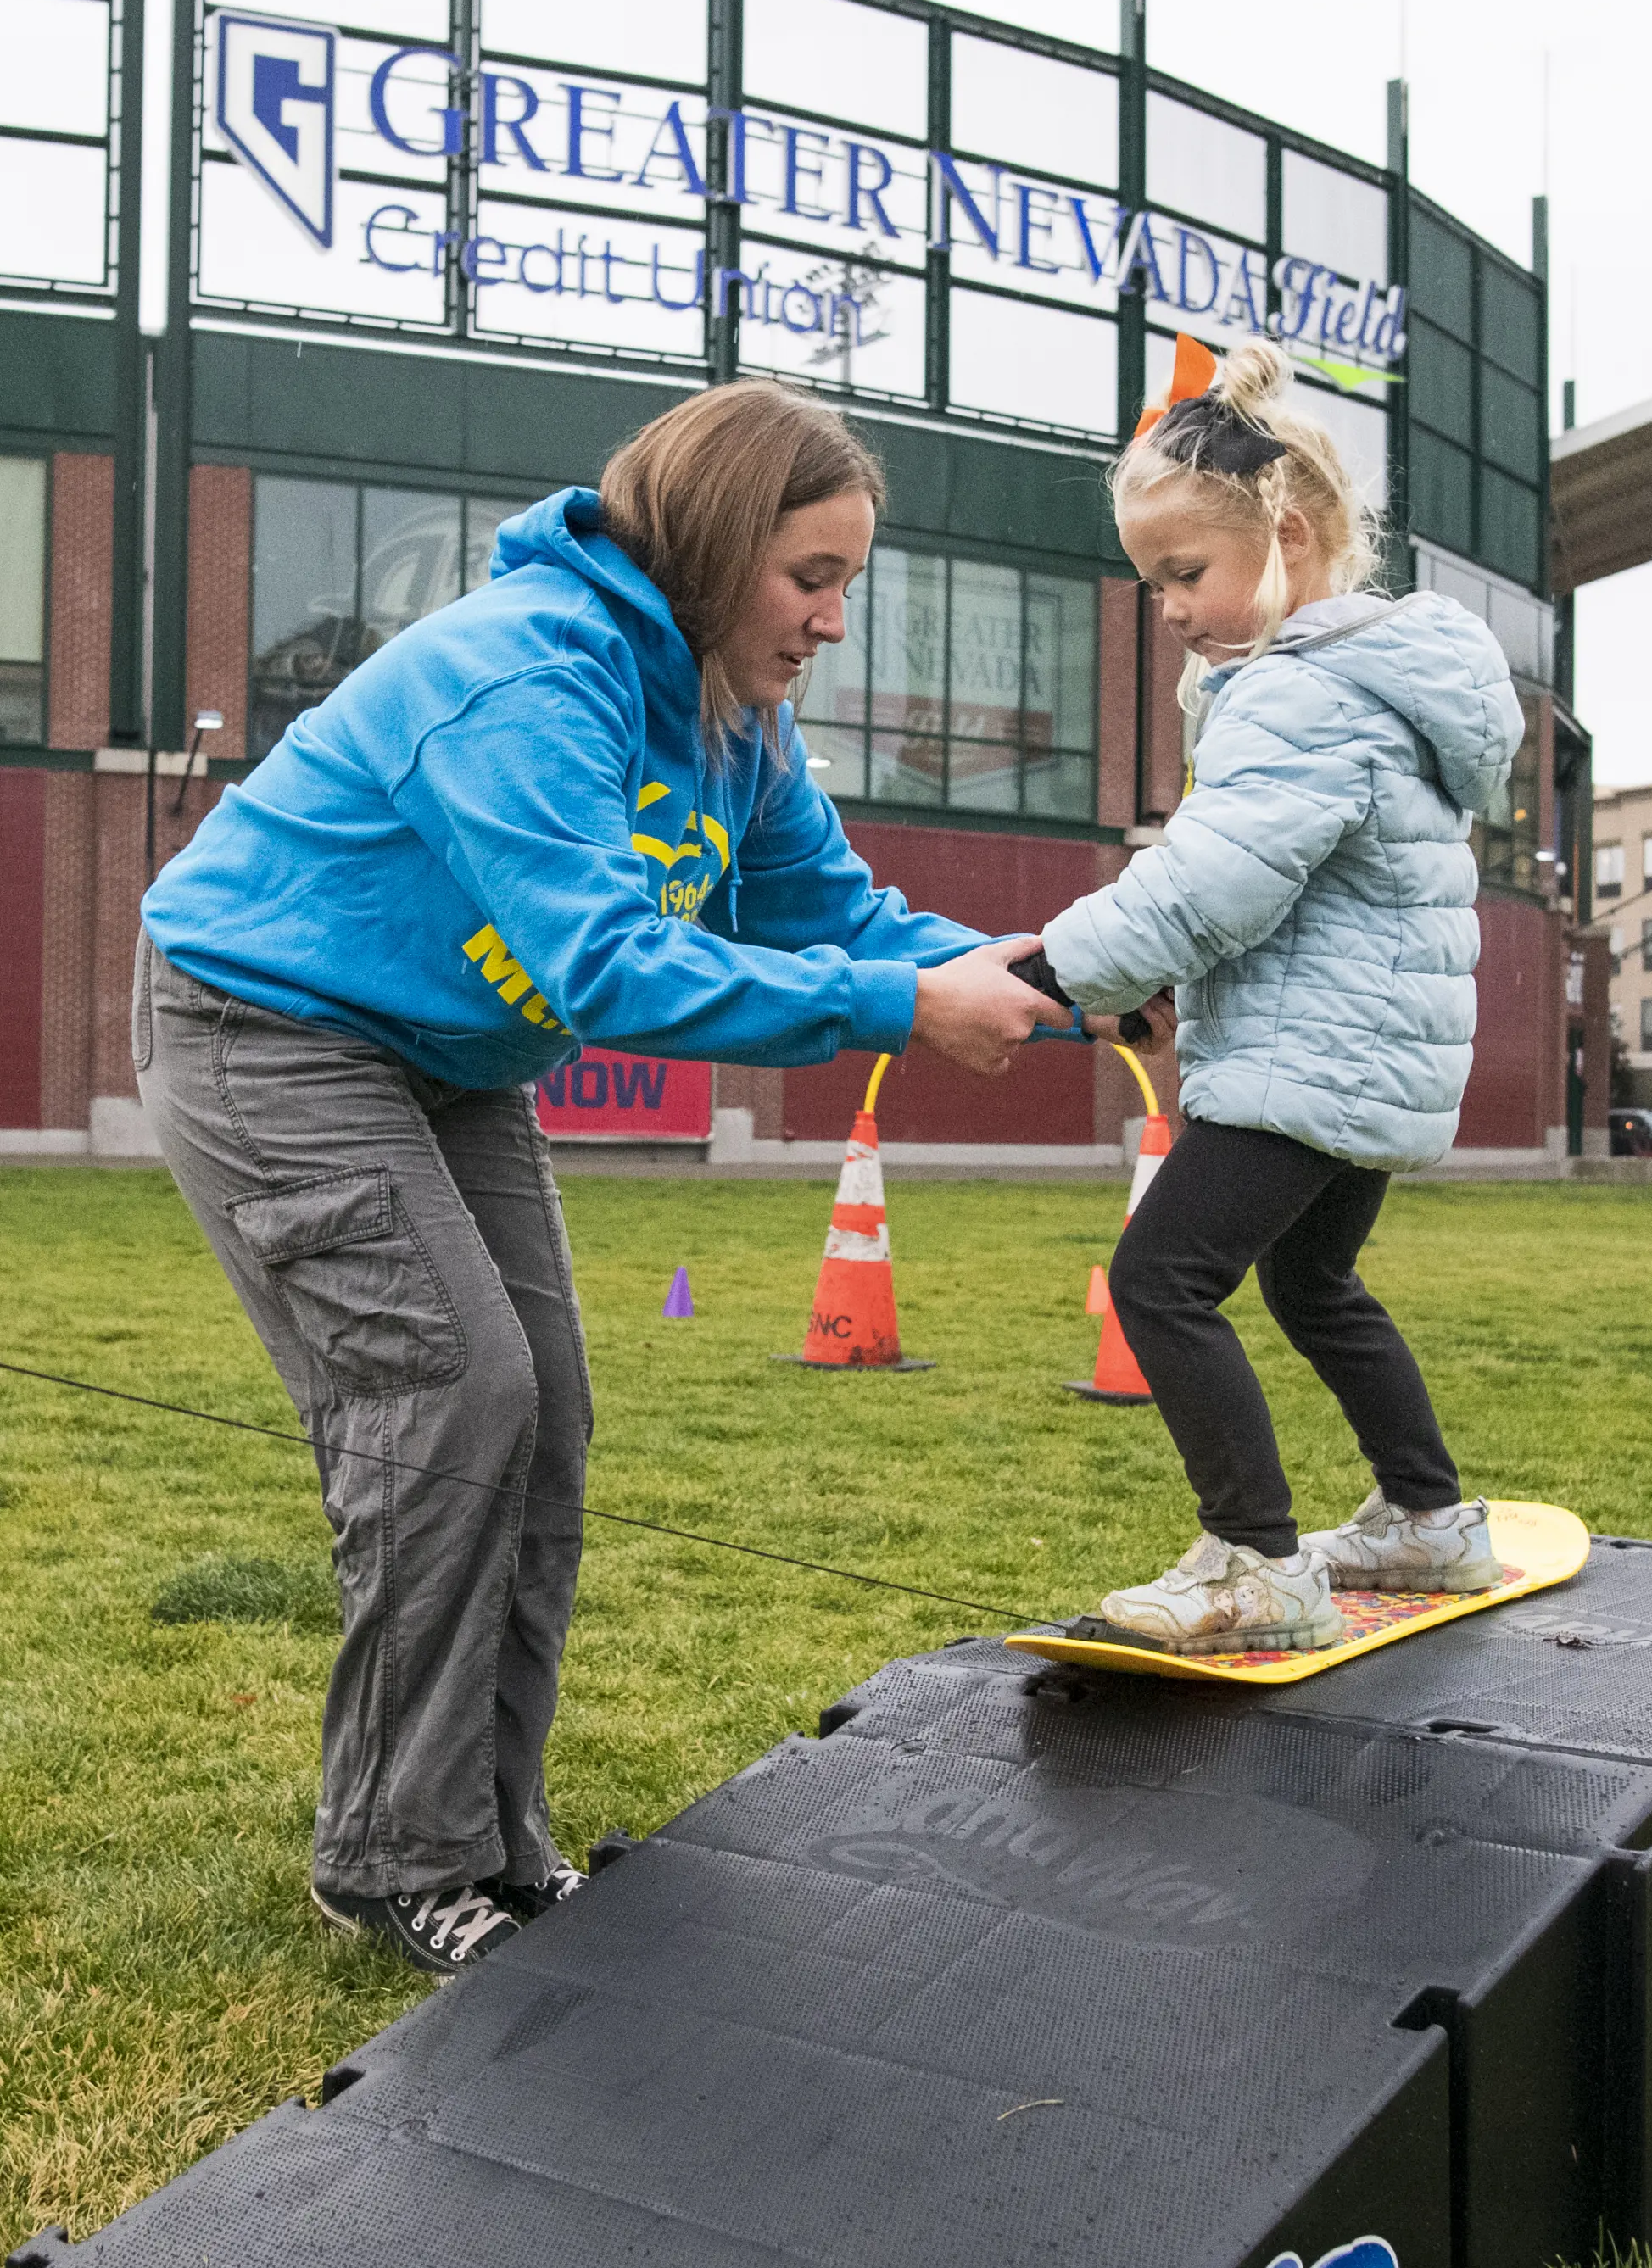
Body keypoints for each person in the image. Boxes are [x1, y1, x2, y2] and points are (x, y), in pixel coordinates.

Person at [137, 382, 1061, 1973]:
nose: (834, 620)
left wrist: (1075, 965)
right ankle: (393, 1858)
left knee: (544, 1406)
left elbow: (826, 912)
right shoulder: (519, 674)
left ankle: (494, 1842)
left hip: (451, 1058)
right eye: (810, 578)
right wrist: (905, 1006)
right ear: (710, 548)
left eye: (849, 581)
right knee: (449, 1392)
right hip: (269, 1029)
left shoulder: (732, 717)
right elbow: (611, 964)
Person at [1035, 340, 1527, 1653]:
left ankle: (1255, 1557)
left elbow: (1214, 878)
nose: (1171, 610)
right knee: (1314, 1280)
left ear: (1287, 535)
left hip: (1308, 1057)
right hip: (1365, 1051)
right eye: (1152, 584)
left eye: (1184, 574)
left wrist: (1061, 967)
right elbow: (1276, 878)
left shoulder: (1297, 692)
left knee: (1161, 1279)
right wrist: (1159, 983)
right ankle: (1424, 1516)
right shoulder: (1372, 686)